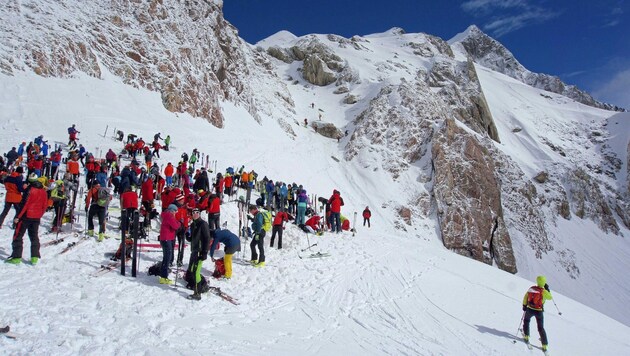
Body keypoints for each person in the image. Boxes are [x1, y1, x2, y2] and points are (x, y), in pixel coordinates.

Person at [6, 174, 48, 265]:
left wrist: (18, 217)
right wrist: (40, 214)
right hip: (36, 217)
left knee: (18, 235)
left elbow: (25, 205)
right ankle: (34, 257)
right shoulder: (43, 191)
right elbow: (45, 205)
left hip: (26, 216)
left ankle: (16, 257)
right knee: (34, 236)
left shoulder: (29, 190)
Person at [522, 275, 553, 352]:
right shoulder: (544, 292)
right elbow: (550, 297)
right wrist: (547, 289)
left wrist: (524, 305)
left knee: (526, 321)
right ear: (544, 283)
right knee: (540, 327)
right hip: (539, 311)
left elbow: (525, 297)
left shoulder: (531, 289)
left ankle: (526, 336)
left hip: (529, 309)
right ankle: (544, 345)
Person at [186, 208, 210, 300]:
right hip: (194, 251)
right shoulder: (193, 224)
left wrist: (204, 252)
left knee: (196, 272)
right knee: (191, 270)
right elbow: (192, 238)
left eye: (197, 213)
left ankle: (198, 293)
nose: (195, 214)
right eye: (193, 213)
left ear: (199, 214)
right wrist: (187, 236)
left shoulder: (203, 224)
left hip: (200, 251)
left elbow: (207, 238)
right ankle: (196, 286)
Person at [158, 204, 181, 285]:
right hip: (167, 238)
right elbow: (176, 226)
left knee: (166, 257)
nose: (175, 213)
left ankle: (163, 275)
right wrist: (179, 223)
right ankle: (164, 277)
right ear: (172, 210)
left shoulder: (166, 215)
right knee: (168, 257)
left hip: (165, 238)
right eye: (175, 211)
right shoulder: (170, 216)